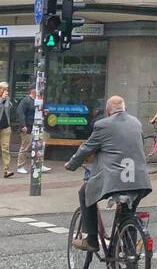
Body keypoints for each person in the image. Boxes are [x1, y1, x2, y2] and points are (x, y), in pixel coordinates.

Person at [64, 95, 151, 252]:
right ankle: (129, 252)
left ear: (107, 111)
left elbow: (86, 148)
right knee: (128, 212)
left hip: (115, 179)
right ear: (125, 109)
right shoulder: (136, 123)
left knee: (84, 193)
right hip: (139, 180)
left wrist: (71, 165)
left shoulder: (102, 125)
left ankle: (91, 239)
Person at [16, 87, 51, 175]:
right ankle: (20, 166)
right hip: (28, 127)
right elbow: (20, 113)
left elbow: (40, 111)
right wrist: (23, 125)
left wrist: (44, 111)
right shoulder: (26, 100)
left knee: (41, 144)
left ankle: (39, 164)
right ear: (32, 91)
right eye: (37, 89)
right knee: (25, 147)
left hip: (39, 127)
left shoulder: (39, 100)